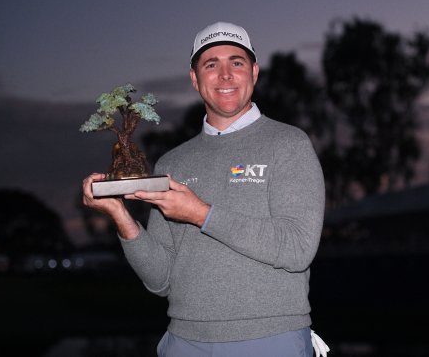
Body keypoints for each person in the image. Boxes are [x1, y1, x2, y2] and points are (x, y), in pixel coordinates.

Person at [82, 21, 329, 357]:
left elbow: (298, 249)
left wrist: (201, 214)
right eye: (211, 65)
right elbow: (161, 279)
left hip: (269, 339)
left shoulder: (288, 144)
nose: (225, 75)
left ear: (254, 73)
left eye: (236, 62)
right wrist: (120, 217)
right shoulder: (173, 162)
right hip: (183, 342)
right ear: (195, 79)